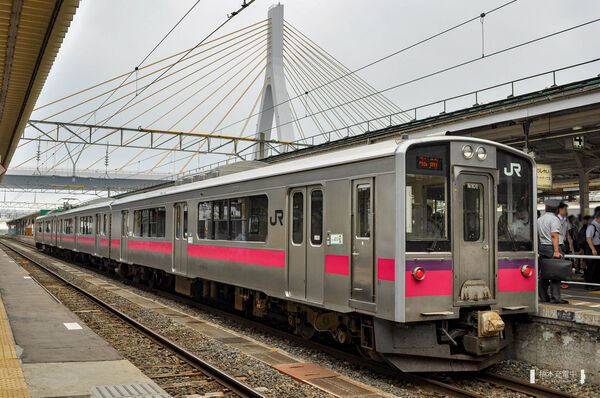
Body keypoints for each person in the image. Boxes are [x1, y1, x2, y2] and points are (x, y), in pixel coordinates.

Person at [537, 200, 567, 303]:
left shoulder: (539, 220)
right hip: (552, 248)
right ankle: (556, 298)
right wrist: (556, 251)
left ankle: (544, 297)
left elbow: (537, 237)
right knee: (555, 273)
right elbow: (554, 235)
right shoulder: (554, 220)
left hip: (543, 248)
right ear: (557, 210)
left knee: (544, 274)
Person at [585, 211, 600, 290]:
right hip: (592, 248)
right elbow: (589, 238)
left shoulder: (598, 225)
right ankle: (589, 285)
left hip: (597, 247)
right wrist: (593, 249)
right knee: (591, 266)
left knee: (597, 267)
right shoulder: (592, 226)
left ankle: (595, 283)